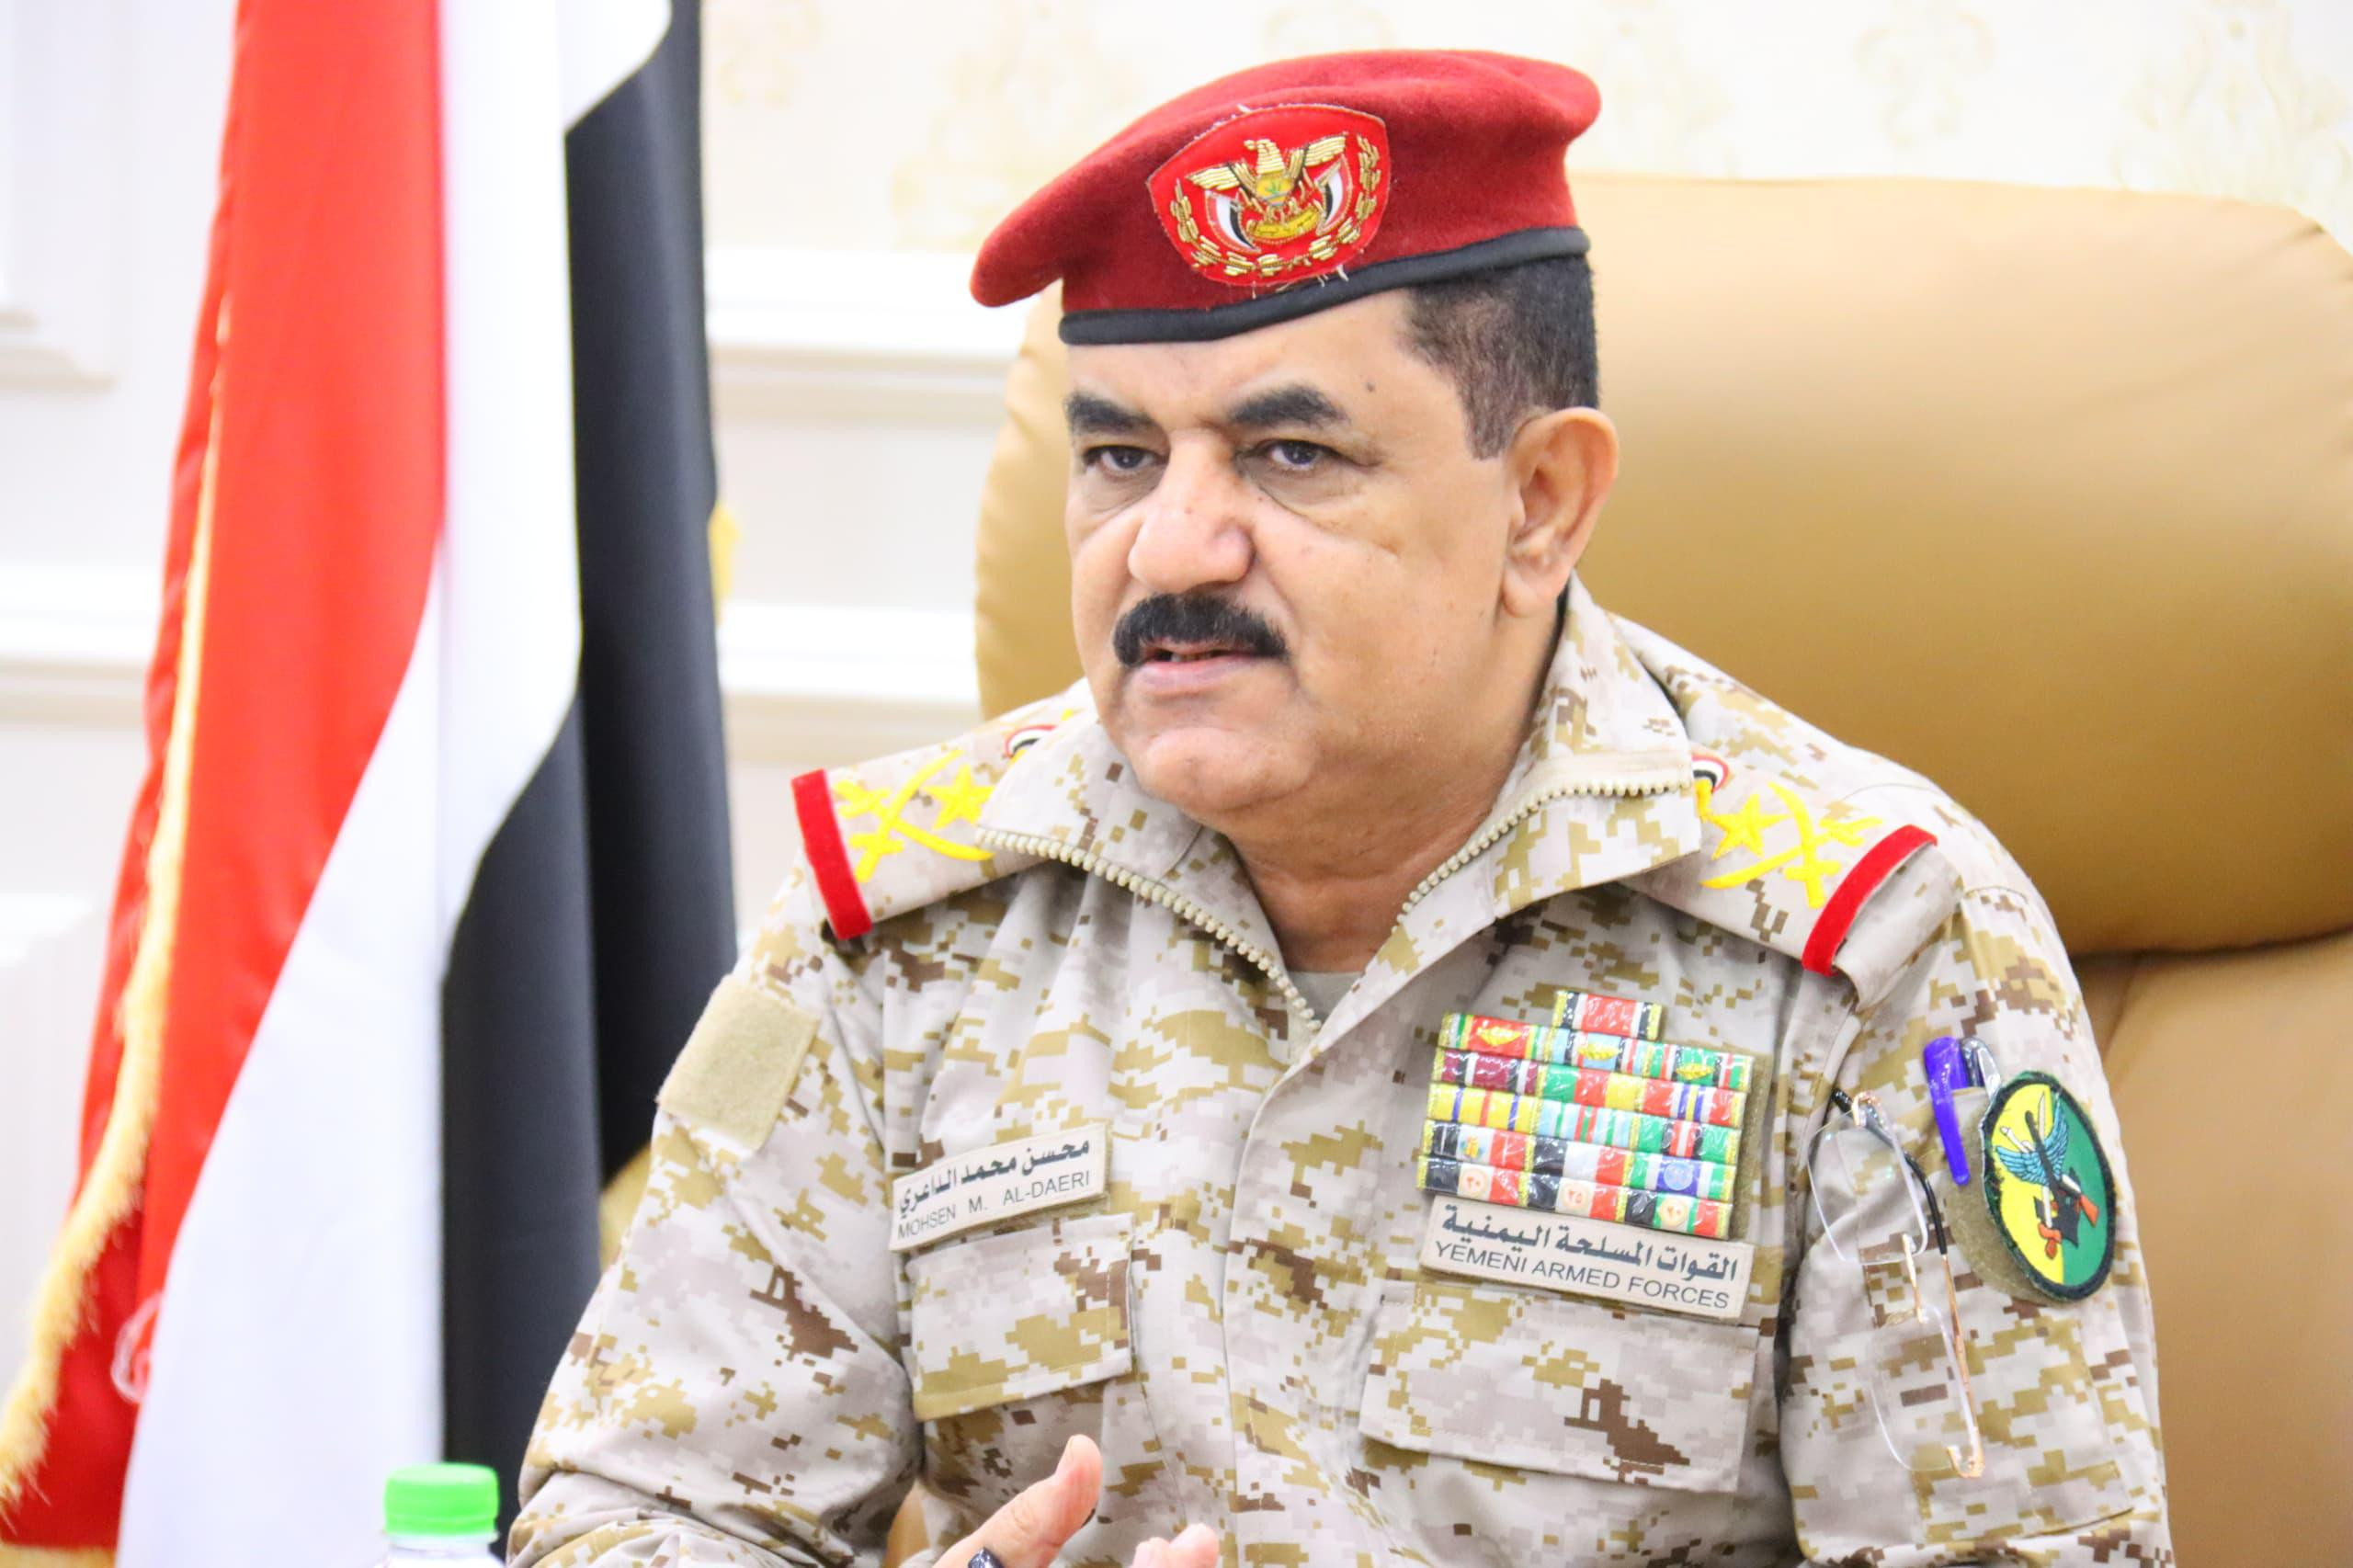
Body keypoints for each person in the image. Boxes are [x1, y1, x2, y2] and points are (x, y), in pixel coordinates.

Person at [510, 51, 2168, 1567]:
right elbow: (630, 1510)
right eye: (1119, 456)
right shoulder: (895, 928)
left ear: (1541, 503)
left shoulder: (1878, 946)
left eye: (1289, 454)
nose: (1169, 547)